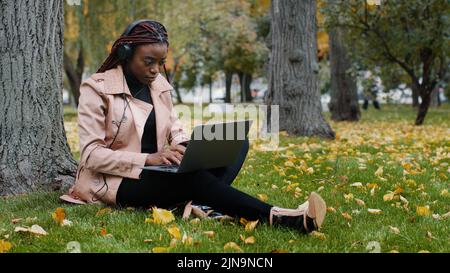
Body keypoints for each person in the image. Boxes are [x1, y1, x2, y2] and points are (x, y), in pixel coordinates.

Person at [60, 19, 327, 234]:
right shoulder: (97, 88)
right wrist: (148, 158)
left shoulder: (159, 86)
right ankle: (281, 218)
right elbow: (91, 155)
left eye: (160, 62)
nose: (155, 70)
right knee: (194, 179)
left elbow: (174, 125)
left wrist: (183, 143)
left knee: (236, 142)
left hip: (158, 170)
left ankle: (197, 204)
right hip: (116, 181)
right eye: (148, 61)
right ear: (126, 55)